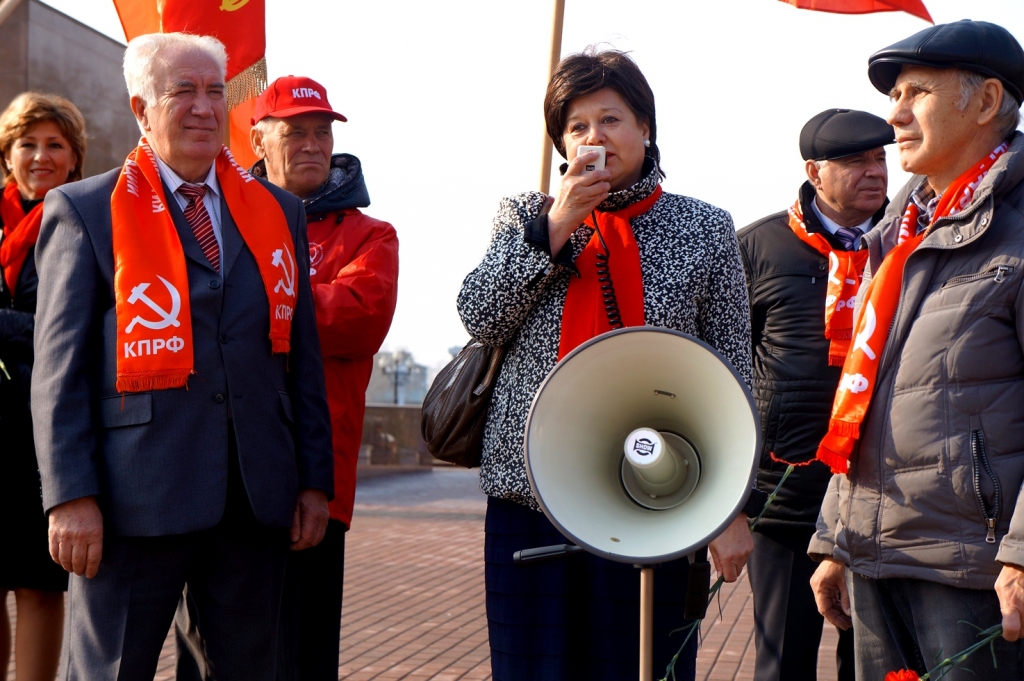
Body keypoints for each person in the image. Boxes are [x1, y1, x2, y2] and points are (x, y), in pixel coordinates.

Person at [30, 32, 333, 680]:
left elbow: (300, 358)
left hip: (252, 501)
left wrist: (312, 479)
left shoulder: (277, 212)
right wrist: (70, 495)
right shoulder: (85, 211)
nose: (203, 107)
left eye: (214, 91)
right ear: (141, 108)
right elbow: (59, 372)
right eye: (182, 91)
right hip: (130, 499)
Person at [457, 47, 764, 680]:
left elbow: (733, 370)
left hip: (658, 499)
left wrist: (732, 508)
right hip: (533, 497)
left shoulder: (704, 227)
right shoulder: (524, 216)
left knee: (641, 666)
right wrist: (558, 224)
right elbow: (480, 315)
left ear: (646, 127)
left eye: (612, 119)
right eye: (577, 126)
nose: (595, 137)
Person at [808, 19, 1024, 679]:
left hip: (974, 573)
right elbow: (864, 396)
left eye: (917, 92)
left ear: (986, 102)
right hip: (876, 560)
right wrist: (834, 539)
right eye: (893, 94)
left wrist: (1023, 553)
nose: (894, 115)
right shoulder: (895, 237)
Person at [174, 75, 400, 681]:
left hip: (313, 476)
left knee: (302, 649)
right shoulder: (215, 219)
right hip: (222, 467)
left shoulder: (370, 235)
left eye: (322, 132)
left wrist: (248, 302)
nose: (311, 144)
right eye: (295, 131)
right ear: (258, 140)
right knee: (210, 647)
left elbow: (359, 317)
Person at [738, 108, 894, 681]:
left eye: (880, 157)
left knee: (875, 661)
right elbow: (723, 368)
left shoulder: (909, 242)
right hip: (786, 492)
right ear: (814, 171)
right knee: (783, 660)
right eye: (854, 160)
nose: (874, 171)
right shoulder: (758, 247)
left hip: (883, 491)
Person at [0, 92, 85, 681]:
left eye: (54, 144)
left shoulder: (81, 220)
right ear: (8, 154)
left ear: (74, 156)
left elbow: (70, 327)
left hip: (43, 434)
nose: (39, 156)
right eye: (26, 144)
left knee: (36, 584)